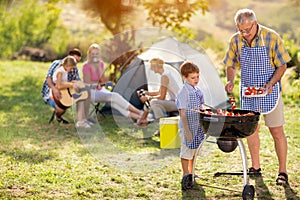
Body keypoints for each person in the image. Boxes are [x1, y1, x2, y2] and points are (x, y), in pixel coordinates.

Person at [223, 8, 291, 185]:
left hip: (270, 91)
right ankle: (255, 167)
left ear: (255, 23)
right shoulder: (235, 40)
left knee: (276, 131)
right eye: (240, 30)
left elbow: (282, 66)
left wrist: (270, 84)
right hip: (248, 93)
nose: (244, 34)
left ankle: (282, 171)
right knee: (251, 131)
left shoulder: (271, 37)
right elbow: (230, 65)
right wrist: (230, 81)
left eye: (247, 30)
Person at [82, 43, 142, 121]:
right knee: (115, 96)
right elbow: (87, 81)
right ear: (89, 54)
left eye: (96, 54)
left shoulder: (100, 64)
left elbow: (104, 80)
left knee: (115, 103)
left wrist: (99, 68)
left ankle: (140, 117)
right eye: (93, 54)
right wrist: (96, 84)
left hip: (100, 90)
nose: (95, 55)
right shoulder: (86, 65)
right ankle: (140, 113)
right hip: (89, 92)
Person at [176, 61, 205, 190]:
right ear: (185, 77)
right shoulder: (184, 92)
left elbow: (200, 107)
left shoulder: (198, 91)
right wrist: (187, 131)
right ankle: (185, 174)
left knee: (194, 150)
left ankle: (192, 172)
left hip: (197, 125)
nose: (196, 80)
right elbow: (182, 113)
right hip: (187, 126)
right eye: (193, 78)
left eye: (197, 77)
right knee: (186, 151)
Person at [41, 48, 83, 124]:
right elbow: (50, 79)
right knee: (61, 108)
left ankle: (82, 121)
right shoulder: (58, 66)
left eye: (77, 61)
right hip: (52, 91)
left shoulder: (72, 67)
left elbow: (77, 81)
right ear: (69, 57)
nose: (76, 63)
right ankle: (58, 116)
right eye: (75, 60)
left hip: (66, 91)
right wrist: (54, 89)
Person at [137, 58, 181, 126]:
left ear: (156, 66)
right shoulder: (165, 74)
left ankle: (162, 126)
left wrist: (148, 98)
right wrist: (147, 93)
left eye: (152, 66)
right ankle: (142, 120)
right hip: (174, 101)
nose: (151, 69)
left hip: (178, 104)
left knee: (154, 102)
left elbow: (162, 97)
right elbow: (159, 92)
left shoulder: (164, 76)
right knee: (151, 101)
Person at [51, 56, 91, 128]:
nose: (72, 70)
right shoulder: (60, 72)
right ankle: (81, 121)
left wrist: (73, 82)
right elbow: (58, 85)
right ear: (67, 65)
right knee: (80, 98)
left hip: (65, 90)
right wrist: (72, 84)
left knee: (83, 96)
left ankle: (82, 120)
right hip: (59, 93)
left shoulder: (65, 70)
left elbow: (64, 82)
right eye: (71, 68)